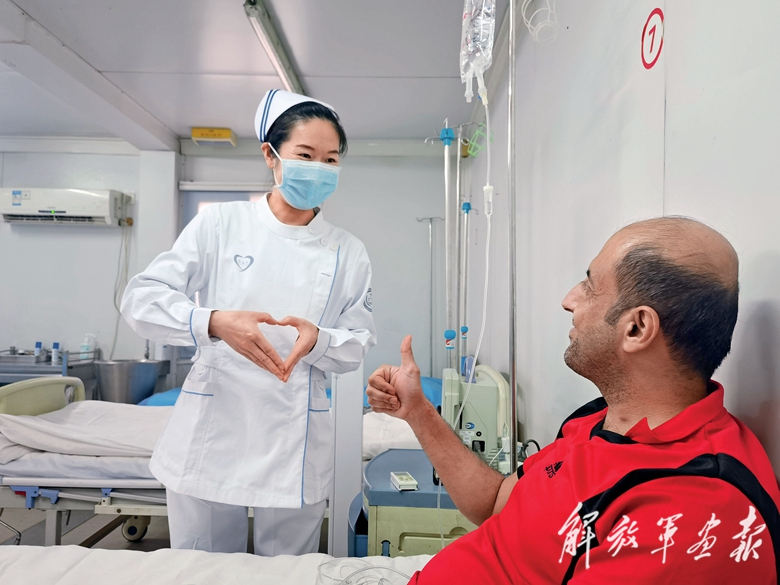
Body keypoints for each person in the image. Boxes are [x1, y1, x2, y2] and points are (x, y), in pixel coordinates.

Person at [367, 217, 780, 583]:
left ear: (637, 328)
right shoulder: (600, 420)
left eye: (590, 286)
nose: (569, 299)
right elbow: (495, 504)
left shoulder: (692, 511)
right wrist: (418, 411)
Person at [122, 89, 376, 555]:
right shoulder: (220, 224)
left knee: (287, 573)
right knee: (201, 571)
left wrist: (319, 340)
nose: (319, 168)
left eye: (331, 160)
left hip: (294, 439)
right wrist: (214, 321)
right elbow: (141, 300)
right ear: (270, 155)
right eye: (305, 155)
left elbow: (357, 344)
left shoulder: (348, 251)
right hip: (214, 428)